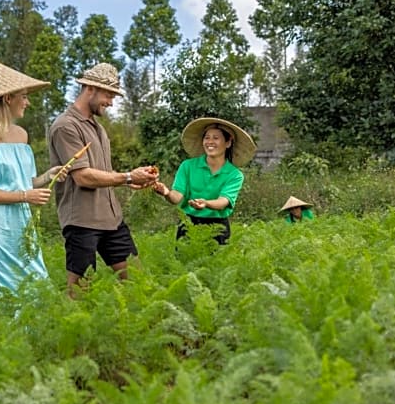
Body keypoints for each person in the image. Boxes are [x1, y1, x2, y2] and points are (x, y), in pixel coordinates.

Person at [47, 62, 159, 296]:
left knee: (138, 281)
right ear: (90, 88)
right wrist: (127, 176)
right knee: (80, 292)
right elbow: (83, 177)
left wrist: (133, 180)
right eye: (108, 94)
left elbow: (102, 172)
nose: (110, 101)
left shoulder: (98, 129)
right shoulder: (65, 126)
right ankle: (74, 332)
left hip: (112, 220)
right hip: (82, 222)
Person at [0, 63, 65, 304]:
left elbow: (25, 182)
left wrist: (48, 176)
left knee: (36, 288)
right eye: (24, 97)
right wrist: (24, 196)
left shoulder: (21, 135)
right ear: (8, 98)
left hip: (20, 227)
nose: (27, 102)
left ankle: (35, 341)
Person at [153, 117, 256, 246]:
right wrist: (166, 192)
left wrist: (206, 203)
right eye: (207, 137)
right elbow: (177, 197)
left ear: (228, 142)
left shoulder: (234, 175)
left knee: (216, 265)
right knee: (185, 264)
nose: (210, 142)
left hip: (217, 228)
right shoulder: (188, 166)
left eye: (216, 138)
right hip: (188, 225)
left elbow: (223, 201)